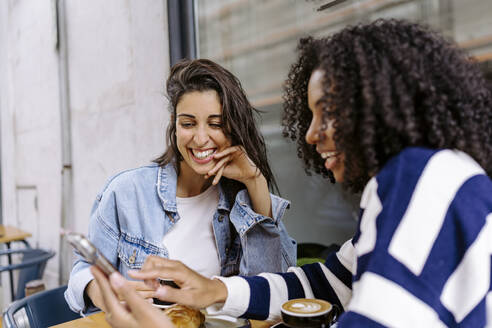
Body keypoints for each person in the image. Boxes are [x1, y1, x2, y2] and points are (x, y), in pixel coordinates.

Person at [92, 19, 492, 327]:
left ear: (380, 106)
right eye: (187, 122)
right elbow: (323, 286)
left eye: (328, 111)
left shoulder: (424, 180)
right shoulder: (413, 185)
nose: (311, 134)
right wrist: (213, 289)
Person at [65, 59, 297, 314]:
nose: (200, 138)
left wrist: (256, 181)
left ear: (233, 128)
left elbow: (272, 291)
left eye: (215, 124)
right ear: (174, 125)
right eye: (188, 124)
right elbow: (82, 272)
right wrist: (105, 293)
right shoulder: (126, 192)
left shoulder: (241, 200)